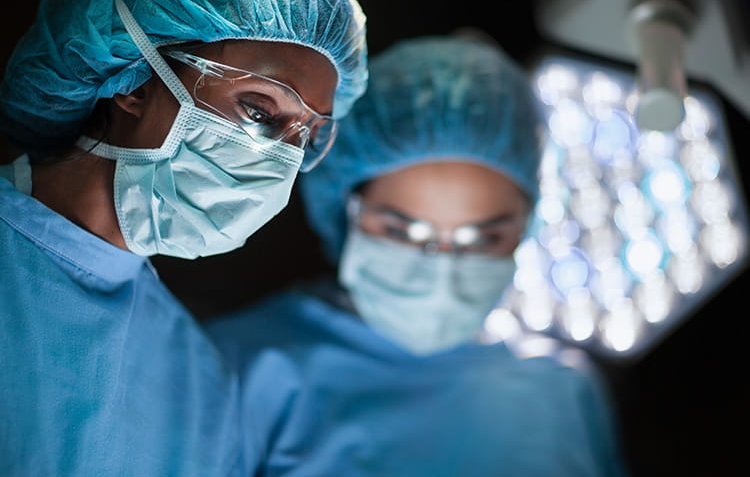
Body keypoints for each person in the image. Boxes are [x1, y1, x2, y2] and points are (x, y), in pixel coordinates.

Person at [0, 0, 367, 474]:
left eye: (304, 136)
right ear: (138, 82)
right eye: (261, 111)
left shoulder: (197, 383)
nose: (280, 160)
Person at [207, 34, 629, 476]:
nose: (441, 266)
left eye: (481, 239)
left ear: (525, 228)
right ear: (346, 211)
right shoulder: (238, 370)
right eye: (403, 231)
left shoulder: (559, 390)